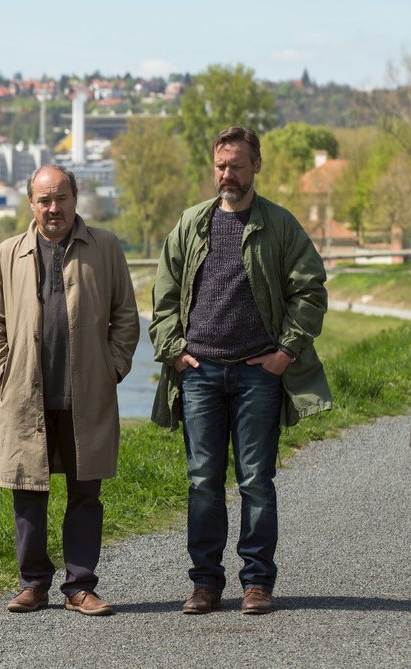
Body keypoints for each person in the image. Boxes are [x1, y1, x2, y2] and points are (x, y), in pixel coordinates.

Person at [149, 125, 332, 615]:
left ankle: (257, 583)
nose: (226, 174)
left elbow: (311, 291)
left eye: (236, 165)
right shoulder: (191, 223)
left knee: (255, 479)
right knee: (203, 481)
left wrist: (286, 353)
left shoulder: (280, 224)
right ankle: (206, 584)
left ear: (256, 167)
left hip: (258, 375)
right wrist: (173, 351)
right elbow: (162, 297)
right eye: (220, 165)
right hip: (201, 373)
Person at [0, 165, 140, 616]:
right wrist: (1, 373)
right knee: (27, 489)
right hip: (26, 394)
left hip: (87, 394)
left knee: (85, 491)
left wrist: (113, 368)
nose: (54, 208)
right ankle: (33, 583)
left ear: (75, 199)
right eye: (44, 200)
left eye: (61, 198)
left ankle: (80, 586)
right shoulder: (7, 254)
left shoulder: (105, 247)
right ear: (31, 204)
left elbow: (125, 317)